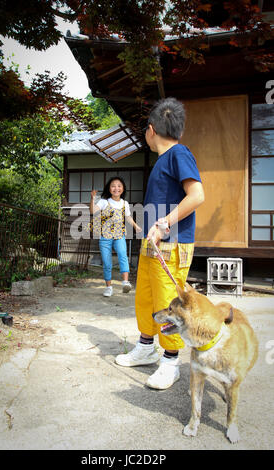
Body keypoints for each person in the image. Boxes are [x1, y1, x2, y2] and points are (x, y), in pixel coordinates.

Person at [115, 97, 205, 390]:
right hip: (151, 243)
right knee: (146, 299)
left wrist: (165, 222)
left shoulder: (179, 154)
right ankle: (146, 347)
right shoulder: (163, 161)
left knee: (169, 303)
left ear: (151, 130)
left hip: (173, 242)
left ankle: (170, 361)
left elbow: (197, 196)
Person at [90, 176, 142, 297]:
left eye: (119, 186)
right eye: (113, 186)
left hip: (119, 235)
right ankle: (108, 287)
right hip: (105, 237)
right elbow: (93, 211)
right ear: (109, 188)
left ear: (123, 189)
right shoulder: (104, 201)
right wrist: (92, 199)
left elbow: (128, 217)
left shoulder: (125, 203)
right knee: (107, 263)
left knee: (123, 255)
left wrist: (136, 227)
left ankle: (125, 282)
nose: (116, 188)